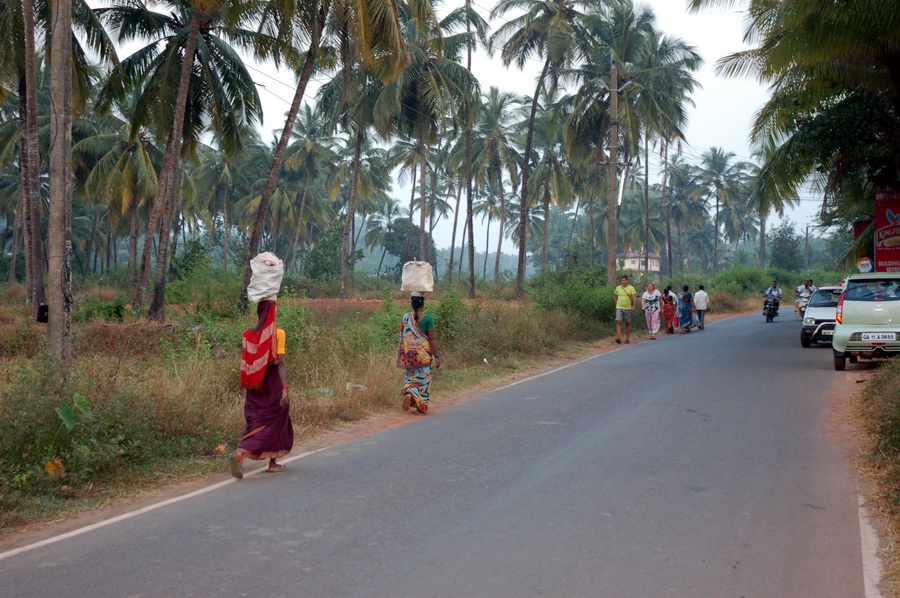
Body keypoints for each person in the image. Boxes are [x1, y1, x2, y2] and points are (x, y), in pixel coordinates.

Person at [231, 299, 293, 479]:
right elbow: (280, 362)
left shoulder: (250, 334)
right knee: (277, 420)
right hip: (272, 384)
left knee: (256, 419)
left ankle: (241, 452)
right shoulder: (278, 333)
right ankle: (266, 461)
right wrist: (285, 388)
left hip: (254, 386)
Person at [397, 292, 441, 414]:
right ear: (423, 303)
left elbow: (404, 336)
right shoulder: (428, 319)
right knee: (424, 380)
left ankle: (410, 392)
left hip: (410, 355)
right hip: (423, 355)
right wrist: (437, 356)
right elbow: (432, 338)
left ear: (412, 303)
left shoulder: (405, 317)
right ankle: (420, 406)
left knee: (411, 377)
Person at [613, 275, 638, 344]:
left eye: (625, 280)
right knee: (619, 321)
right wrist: (616, 305)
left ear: (627, 281)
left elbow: (634, 297)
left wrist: (633, 306)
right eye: (622, 280)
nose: (623, 281)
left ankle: (627, 338)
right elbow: (616, 297)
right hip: (619, 307)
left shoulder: (631, 288)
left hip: (627, 308)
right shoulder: (618, 288)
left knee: (627, 323)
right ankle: (618, 337)